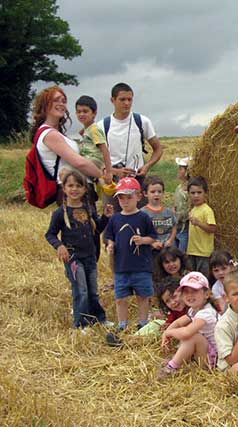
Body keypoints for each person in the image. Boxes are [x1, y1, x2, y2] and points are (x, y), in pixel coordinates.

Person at [45, 170, 113, 329]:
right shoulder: (60, 213)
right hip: (73, 258)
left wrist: (106, 217)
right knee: (81, 290)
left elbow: (96, 230)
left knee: (93, 290)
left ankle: (99, 318)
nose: (74, 189)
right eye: (70, 185)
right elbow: (50, 234)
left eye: (78, 186)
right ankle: (80, 324)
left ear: (84, 189)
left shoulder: (88, 209)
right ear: (64, 188)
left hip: (90, 256)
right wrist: (60, 246)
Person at [104, 177, 157, 330]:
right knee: (120, 298)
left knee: (143, 296)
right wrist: (110, 246)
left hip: (141, 266)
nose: (125, 201)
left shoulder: (143, 217)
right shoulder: (115, 219)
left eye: (129, 197)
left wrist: (142, 240)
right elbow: (109, 237)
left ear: (138, 197)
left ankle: (143, 324)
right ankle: (123, 325)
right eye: (121, 198)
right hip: (121, 267)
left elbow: (153, 237)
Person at [32, 86, 103, 199]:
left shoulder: (56, 133)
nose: (61, 104)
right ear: (45, 105)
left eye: (63, 101)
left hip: (80, 188)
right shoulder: (50, 134)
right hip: (71, 191)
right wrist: (103, 176)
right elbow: (79, 163)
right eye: (56, 100)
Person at [98, 82, 163, 189]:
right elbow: (95, 159)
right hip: (113, 182)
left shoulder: (142, 121)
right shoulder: (102, 126)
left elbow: (158, 149)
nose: (127, 103)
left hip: (137, 180)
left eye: (130, 99)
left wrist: (147, 166)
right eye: (122, 99)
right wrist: (115, 171)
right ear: (112, 100)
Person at [159, 272, 220, 379]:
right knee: (189, 336)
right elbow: (178, 323)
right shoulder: (193, 310)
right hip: (206, 353)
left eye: (194, 291)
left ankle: (171, 368)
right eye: (186, 292)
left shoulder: (206, 313)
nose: (189, 295)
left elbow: (186, 333)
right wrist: (166, 333)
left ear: (207, 294)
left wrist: (169, 332)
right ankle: (176, 360)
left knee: (192, 336)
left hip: (215, 360)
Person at [75, 95, 113, 184]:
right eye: (79, 112)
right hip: (89, 159)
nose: (81, 114)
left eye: (85, 111)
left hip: (94, 160)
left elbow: (104, 150)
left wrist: (109, 171)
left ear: (94, 113)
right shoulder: (88, 129)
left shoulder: (94, 129)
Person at [186, 176, 217, 277]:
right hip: (192, 251)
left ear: (205, 194)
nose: (196, 196)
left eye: (199, 192)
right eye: (193, 193)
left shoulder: (207, 210)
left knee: (203, 278)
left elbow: (212, 228)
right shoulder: (193, 209)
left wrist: (199, 223)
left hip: (204, 253)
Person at [141, 176, 177, 250]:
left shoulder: (168, 212)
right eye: (153, 192)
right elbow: (141, 232)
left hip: (168, 249)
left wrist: (170, 240)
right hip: (152, 250)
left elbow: (174, 227)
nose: (156, 194)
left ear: (163, 193)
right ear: (145, 193)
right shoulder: (142, 213)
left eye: (159, 192)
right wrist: (152, 243)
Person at [173, 157, 191, 252]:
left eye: (181, 169)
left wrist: (180, 215)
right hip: (177, 226)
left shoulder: (190, 191)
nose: (178, 171)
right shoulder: (179, 188)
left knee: (182, 251)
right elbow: (176, 203)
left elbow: (188, 208)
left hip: (184, 227)